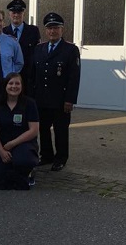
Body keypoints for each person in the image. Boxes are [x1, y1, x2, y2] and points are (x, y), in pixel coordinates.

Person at [31, 12, 81, 172]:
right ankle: (46, 156)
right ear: (46, 31)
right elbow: (33, 75)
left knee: (60, 130)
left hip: (60, 100)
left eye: (56, 28)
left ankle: (61, 158)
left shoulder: (70, 50)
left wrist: (70, 100)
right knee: (43, 129)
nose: (53, 31)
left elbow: (74, 77)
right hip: (41, 99)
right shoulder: (39, 49)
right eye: (50, 28)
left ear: (62, 30)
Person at [0, 73, 39, 190]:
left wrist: (13, 143)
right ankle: (14, 172)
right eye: (10, 83)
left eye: (17, 83)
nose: (14, 86)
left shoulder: (30, 104)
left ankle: (29, 172)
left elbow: (34, 130)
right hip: (4, 146)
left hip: (24, 144)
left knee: (23, 160)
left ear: (22, 86)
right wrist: (1, 151)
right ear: (5, 86)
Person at [3, 0, 40, 88]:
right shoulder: (3, 32)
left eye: (19, 12)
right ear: (9, 13)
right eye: (13, 12)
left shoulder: (33, 31)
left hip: (28, 78)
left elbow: (36, 54)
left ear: (24, 13)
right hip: (8, 79)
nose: (16, 15)